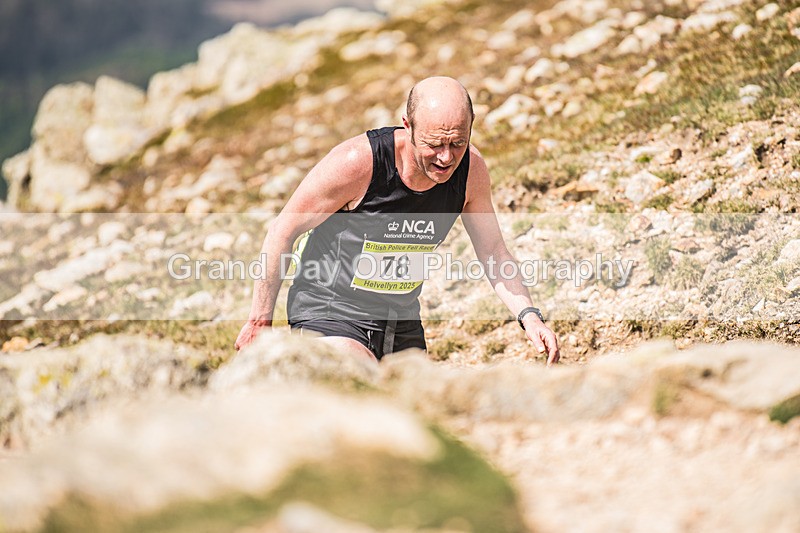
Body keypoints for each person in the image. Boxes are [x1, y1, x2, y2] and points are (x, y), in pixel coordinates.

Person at [235, 76, 560, 365]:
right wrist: (259, 320)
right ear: (408, 125)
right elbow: (283, 229)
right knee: (358, 378)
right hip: (330, 309)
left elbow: (493, 251)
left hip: (399, 318)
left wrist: (529, 316)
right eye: (434, 144)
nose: (446, 157)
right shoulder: (357, 163)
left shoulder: (471, 171)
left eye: (457, 142)